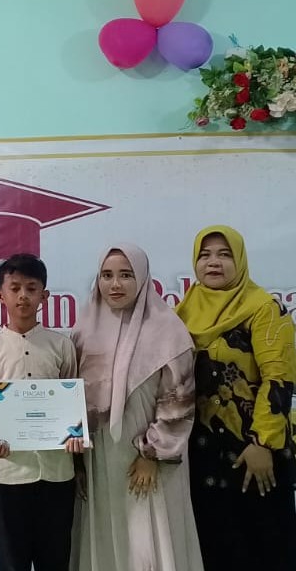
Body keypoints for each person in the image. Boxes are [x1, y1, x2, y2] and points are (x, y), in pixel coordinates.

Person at [70, 244, 203, 571]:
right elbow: (72, 398)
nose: (115, 284)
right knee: (106, 534)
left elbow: (179, 401)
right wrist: (77, 461)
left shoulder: (168, 329)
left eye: (126, 275)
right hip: (99, 457)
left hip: (149, 461)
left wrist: (152, 455)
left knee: (149, 541)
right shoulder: (84, 331)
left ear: (142, 278)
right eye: (107, 275)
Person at [176, 225, 296, 571]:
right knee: (213, 551)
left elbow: (279, 378)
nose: (213, 262)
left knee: (263, 549)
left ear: (240, 260)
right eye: (205, 255)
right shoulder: (182, 314)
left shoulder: (264, 308)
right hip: (201, 458)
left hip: (255, 455)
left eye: (224, 254)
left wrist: (262, 443)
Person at [0, 253, 78, 571]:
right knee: (11, 562)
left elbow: (73, 404)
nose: (23, 296)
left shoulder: (62, 346)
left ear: (45, 295)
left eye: (31, 288)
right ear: (0, 295)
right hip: (6, 474)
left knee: (55, 561)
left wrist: (74, 432)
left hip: (56, 473)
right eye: (14, 288)